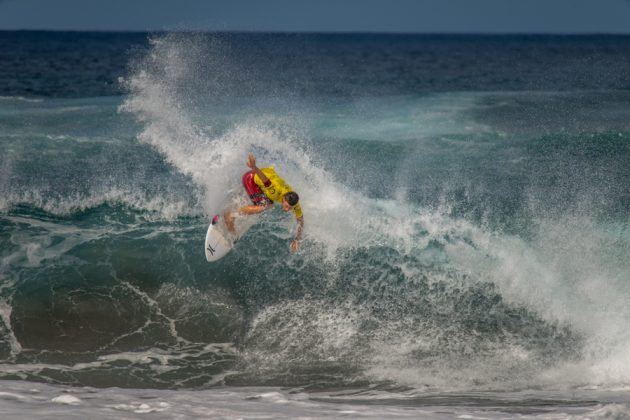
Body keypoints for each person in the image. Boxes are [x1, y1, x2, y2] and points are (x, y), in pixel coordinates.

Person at [224, 154, 304, 252]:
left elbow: (300, 220)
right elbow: (265, 179)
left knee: (269, 204)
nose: (287, 210)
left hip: (263, 179)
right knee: (262, 207)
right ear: (283, 199)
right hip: (251, 178)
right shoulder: (274, 190)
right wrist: (253, 166)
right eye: (286, 206)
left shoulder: (294, 202)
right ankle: (231, 215)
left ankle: (241, 202)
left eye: (290, 208)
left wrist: (297, 239)